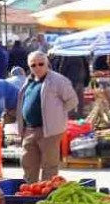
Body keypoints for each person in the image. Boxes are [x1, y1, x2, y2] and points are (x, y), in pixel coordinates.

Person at [17, 51, 78, 183]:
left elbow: (72, 101)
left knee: (49, 165)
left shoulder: (58, 80)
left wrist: (56, 116)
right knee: (28, 163)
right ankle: (30, 190)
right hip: (29, 130)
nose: (37, 67)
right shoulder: (29, 81)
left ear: (47, 64)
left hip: (49, 131)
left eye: (41, 64)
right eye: (33, 65)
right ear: (29, 67)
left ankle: (46, 193)